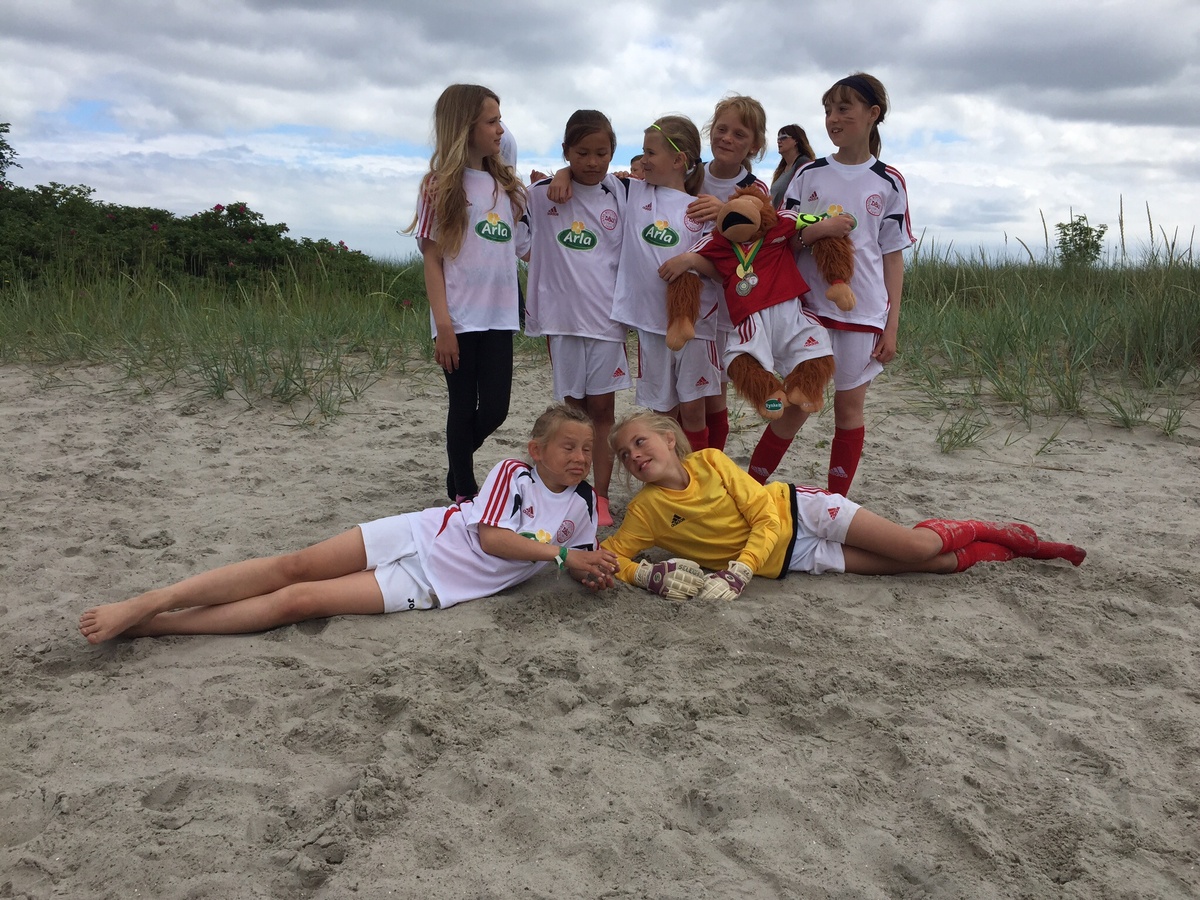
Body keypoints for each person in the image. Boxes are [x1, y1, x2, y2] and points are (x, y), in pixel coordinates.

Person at [78, 406, 619, 643]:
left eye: (586, 449)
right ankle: (156, 599)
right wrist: (561, 556)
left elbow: (580, 558)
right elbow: (492, 538)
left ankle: (158, 625)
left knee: (300, 601)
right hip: (420, 533)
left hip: (434, 585)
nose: (579, 458)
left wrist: (591, 570)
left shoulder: (582, 507)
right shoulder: (513, 473)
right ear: (536, 450)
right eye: (567, 447)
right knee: (295, 566)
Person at [601, 411, 1086, 601]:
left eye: (641, 442)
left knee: (916, 548)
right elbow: (610, 555)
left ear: (669, 440)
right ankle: (1000, 551)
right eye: (624, 455)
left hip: (801, 511)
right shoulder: (646, 511)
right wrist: (644, 575)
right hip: (794, 559)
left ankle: (1000, 533)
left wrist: (738, 571)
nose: (634, 455)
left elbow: (764, 515)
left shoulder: (710, 461)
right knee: (933, 566)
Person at [768, 72, 914, 496]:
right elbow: (783, 237)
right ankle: (750, 486)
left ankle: (836, 504)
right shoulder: (809, 174)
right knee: (796, 404)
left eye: (843, 109)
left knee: (849, 410)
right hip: (810, 308)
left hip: (863, 312)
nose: (833, 118)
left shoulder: (888, 181)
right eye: (828, 110)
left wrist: (891, 325)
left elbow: (892, 255)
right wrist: (815, 232)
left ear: (872, 114)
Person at [404, 84, 529, 503]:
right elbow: (432, 260)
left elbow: (526, 244)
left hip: (500, 316)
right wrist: (443, 326)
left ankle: (456, 466)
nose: (500, 130)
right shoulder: (438, 186)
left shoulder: (507, 187)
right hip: (457, 318)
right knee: (461, 405)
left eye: (500, 121)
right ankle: (464, 491)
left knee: (495, 409)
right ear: (464, 127)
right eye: (492, 122)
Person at [519, 110, 630, 527]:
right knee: (574, 412)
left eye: (602, 152)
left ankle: (599, 497)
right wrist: (559, 175)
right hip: (561, 321)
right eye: (581, 153)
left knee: (602, 411)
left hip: (607, 321)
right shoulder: (541, 195)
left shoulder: (620, 193)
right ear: (566, 151)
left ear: (613, 152)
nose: (592, 161)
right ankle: (574, 491)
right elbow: (517, 239)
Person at [686, 95, 771, 452]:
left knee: (715, 391)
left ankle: (713, 464)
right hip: (684, 298)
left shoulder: (755, 190)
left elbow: (762, 242)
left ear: (755, 145)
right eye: (721, 129)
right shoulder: (690, 175)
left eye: (739, 134)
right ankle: (683, 465)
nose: (727, 138)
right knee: (685, 392)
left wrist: (726, 211)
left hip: (726, 304)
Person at [768, 124, 815, 208]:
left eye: (783, 137)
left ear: (796, 140)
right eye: (778, 139)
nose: (779, 141)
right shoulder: (782, 169)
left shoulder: (804, 164)